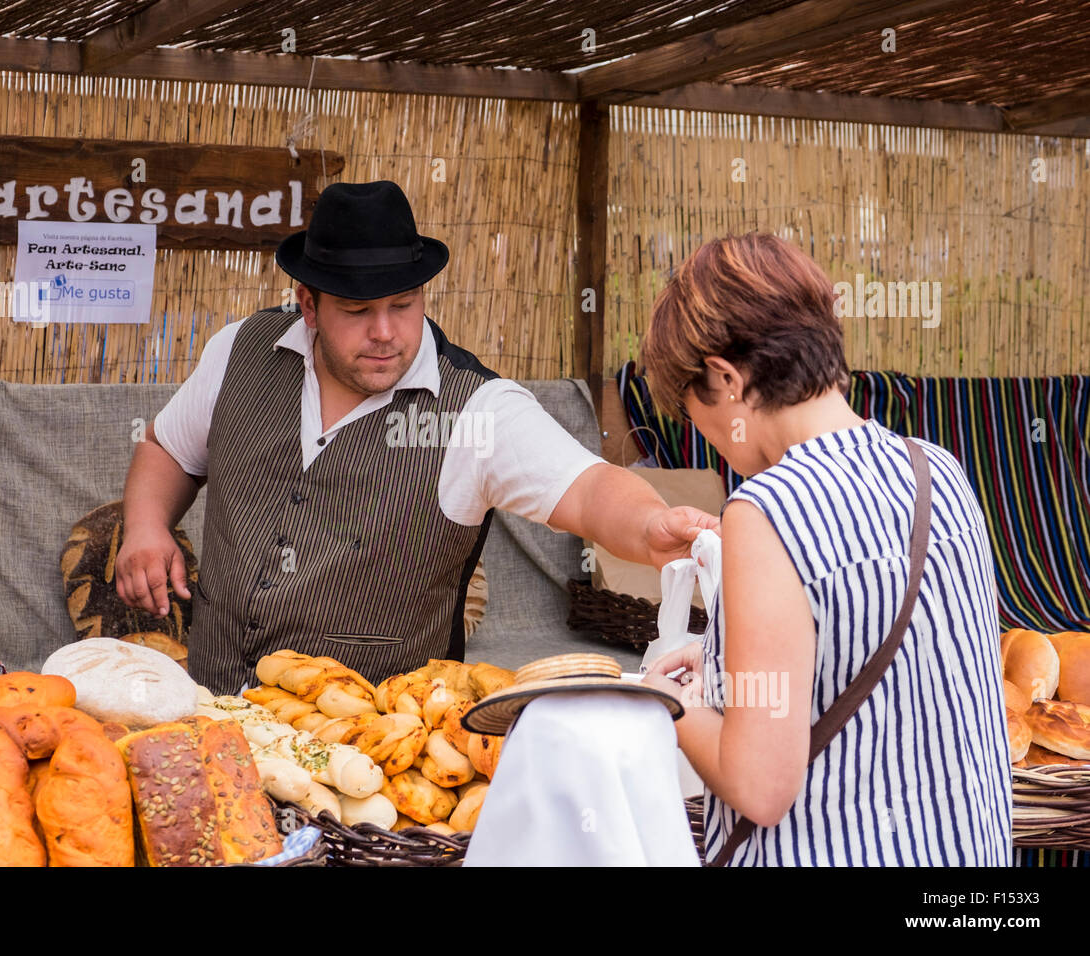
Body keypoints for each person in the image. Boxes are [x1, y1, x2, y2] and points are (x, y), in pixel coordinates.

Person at [115, 180, 717, 694]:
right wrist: (145, 526)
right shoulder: (240, 352)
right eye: (356, 310)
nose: (384, 333)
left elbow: (588, 489)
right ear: (307, 303)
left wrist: (648, 528)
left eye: (402, 306)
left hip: (377, 759)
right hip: (209, 706)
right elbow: (168, 449)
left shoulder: (479, 411)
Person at [640, 234, 1012, 865]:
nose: (703, 438)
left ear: (726, 379)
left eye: (690, 411)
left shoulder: (766, 513)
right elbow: (890, 674)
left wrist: (666, 702)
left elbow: (759, 785)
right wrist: (728, 677)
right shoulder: (940, 472)